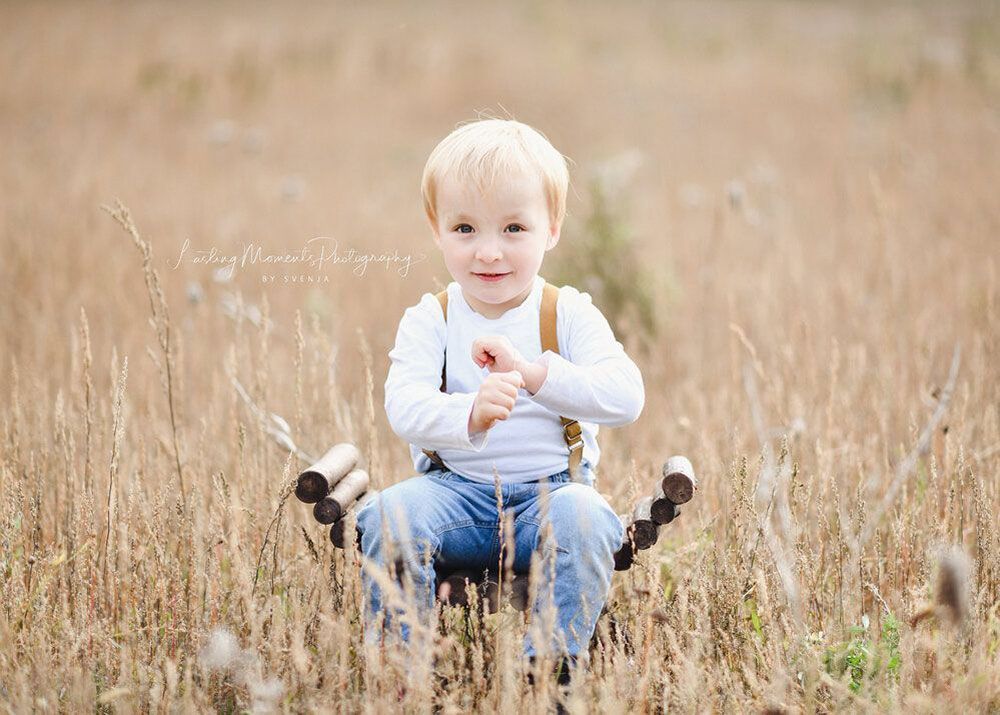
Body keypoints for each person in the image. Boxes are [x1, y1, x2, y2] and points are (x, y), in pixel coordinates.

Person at [356, 118, 645, 688]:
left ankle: (551, 672)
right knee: (391, 516)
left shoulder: (566, 312)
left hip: (552, 497)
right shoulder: (432, 317)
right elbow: (403, 406)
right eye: (465, 228)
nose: (489, 252)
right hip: (454, 495)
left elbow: (626, 394)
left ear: (552, 229)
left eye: (514, 227)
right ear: (436, 229)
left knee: (587, 517)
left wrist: (536, 374)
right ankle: (402, 676)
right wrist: (468, 414)